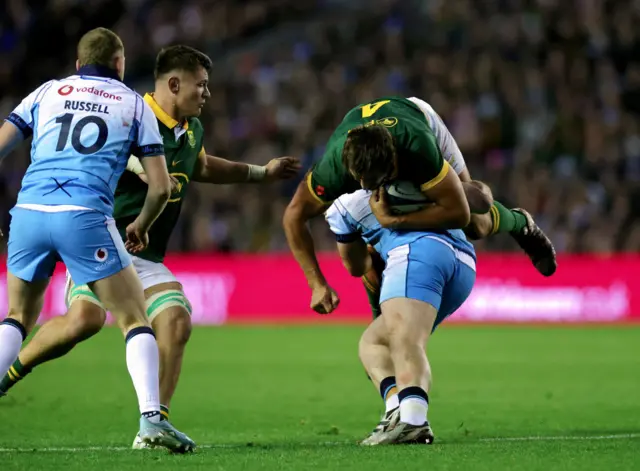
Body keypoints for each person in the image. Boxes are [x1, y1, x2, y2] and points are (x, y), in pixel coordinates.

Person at [0, 44, 301, 450]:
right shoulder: (132, 111)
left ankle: (155, 422)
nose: (207, 93)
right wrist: (142, 171)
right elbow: (115, 156)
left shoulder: (191, 129)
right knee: (84, 320)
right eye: (202, 85)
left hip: (144, 255)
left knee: (176, 320)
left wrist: (259, 172)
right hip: (102, 239)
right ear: (174, 84)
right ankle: (13, 372)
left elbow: (203, 165)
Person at [0, 28, 195, 452]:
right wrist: (142, 224)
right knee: (134, 318)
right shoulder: (131, 103)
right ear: (120, 65)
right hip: (85, 215)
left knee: (16, 317)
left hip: (29, 212)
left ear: (77, 63)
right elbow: (160, 187)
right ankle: (151, 420)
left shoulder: (47, 92)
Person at [283, 96, 556, 317]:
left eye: (376, 180)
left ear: (392, 163)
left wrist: (395, 221)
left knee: (476, 223)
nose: (366, 187)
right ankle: (381, 318)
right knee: (357, 265)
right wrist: (316, 284)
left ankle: (522, 223)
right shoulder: (333, 168)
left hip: (417, 118)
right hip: (378, 142)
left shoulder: (417, 147)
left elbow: (459, 214)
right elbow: (293, 216)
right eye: (359, 181)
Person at [325, 186, 476, 445]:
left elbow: (357, 266)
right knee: (374, 341)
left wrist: (369, 245)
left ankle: (414, 421)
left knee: (404, 342)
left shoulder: (343, 205)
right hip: (464, 262)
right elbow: (479, 204)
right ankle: (397, 411)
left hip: (416, 255)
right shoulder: (420, 173)